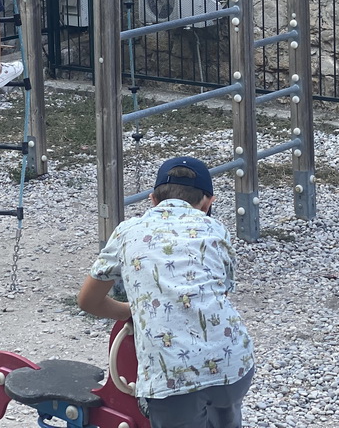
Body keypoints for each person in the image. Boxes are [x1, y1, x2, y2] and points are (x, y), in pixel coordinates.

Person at [77, 156, 255, 428]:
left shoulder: (127, 231)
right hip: (233, 364)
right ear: (208, 203)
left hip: (171, 376)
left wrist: (132, 310)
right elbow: (219, 294)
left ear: (152, 199)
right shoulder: (215, 229)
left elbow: (88, 300)